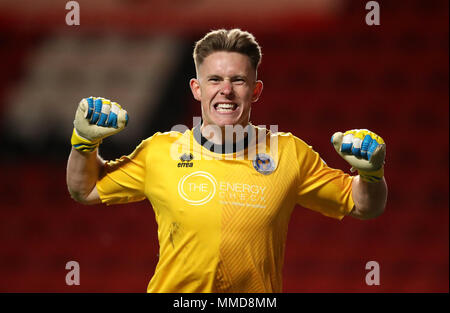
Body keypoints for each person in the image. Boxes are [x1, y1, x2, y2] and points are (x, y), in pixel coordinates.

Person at [66, 29, 387, 293]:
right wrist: (84, 142)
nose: (226, 91)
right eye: (215, 79)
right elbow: (85, 190)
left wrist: (371, 175)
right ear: (197, 88)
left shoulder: (290, 153)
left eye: (238, 81)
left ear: (256, 90)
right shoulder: (161, 151)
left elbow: (363, 206)